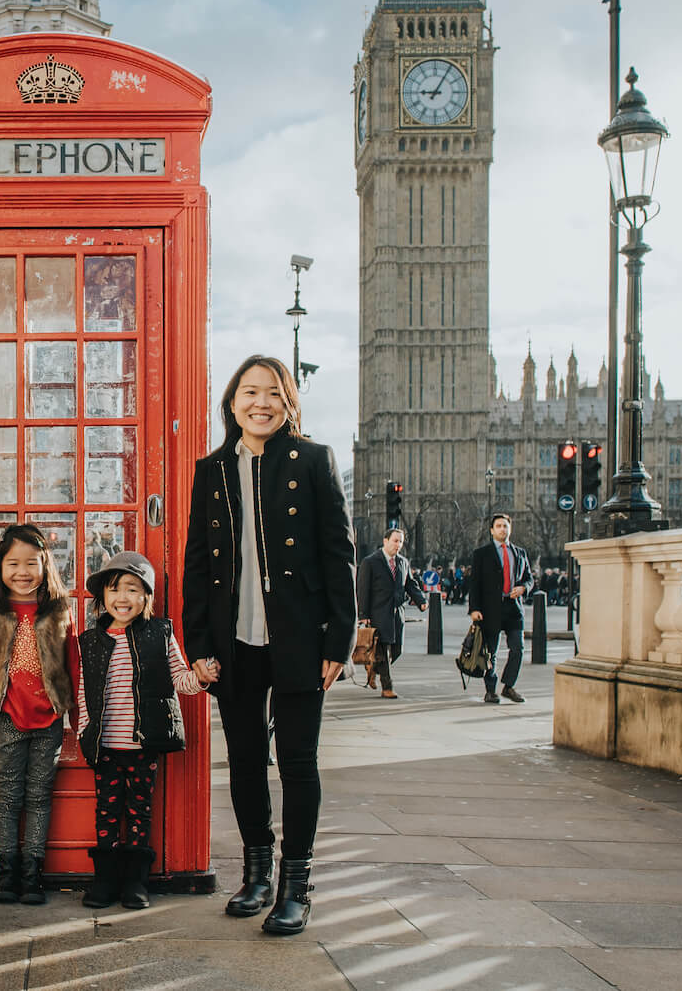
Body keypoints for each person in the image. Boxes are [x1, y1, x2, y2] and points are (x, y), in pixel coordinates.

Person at [182, 355, 358, 936]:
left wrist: (340, 637)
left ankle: (295, 885)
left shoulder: (312, 461)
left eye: (273, 394)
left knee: (299, 762)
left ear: (288, 404)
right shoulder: (210, 471)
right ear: (232, 402)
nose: (261, 403)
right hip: (234, 642)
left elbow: (339, 554)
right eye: (249, 392)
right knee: (247, 762)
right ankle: (256, 871)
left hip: (299, 639)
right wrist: (198, 645)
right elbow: (196, 569)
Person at [0, 523, 80, 906]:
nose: (22, 572)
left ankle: (33, 874)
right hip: (7, 717)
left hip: (48, 719)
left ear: (47, 565)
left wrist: (78, 717)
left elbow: (73, 664)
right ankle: (7, 872)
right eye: (12, 563)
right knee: (9, 796)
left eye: (32, 563)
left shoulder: (59, 609)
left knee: (40, 797)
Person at [77, 552, 200, 911]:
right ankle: (104, 880)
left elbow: (180, 679)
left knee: (140, 811)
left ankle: (135, 881)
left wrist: (201, 678)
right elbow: (86, 692)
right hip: (106, 745)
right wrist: (86, 730)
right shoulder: (92, 641)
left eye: (132, 589)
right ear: (103, 598)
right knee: (107, 813)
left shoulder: (160, 634)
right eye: (114, 590)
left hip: (143, 744)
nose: (123, 598)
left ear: (146, 596)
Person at [464, 512, 534, 704]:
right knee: (490, 652)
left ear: (510, 529)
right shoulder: (482, 554)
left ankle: (509, 686)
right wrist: (474, 609)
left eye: (505, 526)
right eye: (499, 526)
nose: (503, 529)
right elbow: (475, 583)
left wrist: (523, 588)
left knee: (518, 649)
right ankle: (490, 690)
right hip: (490, 609)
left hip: (513, 608)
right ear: (492, 530)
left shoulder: (519, 553)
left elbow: (529, 578)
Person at [356, 527, 424, 699]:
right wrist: (363, 614)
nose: (398, 545)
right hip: (378, 613)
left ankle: (373, 668)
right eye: (395, 540)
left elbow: (410, 583)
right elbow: (363, 589)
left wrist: (421, 600)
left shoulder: (403, 562)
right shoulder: (370, 562)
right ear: (385, 541)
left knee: (396, 649)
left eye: (401, 541)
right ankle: (387, 687)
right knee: (382, 650)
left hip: (397, 613)